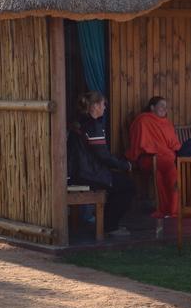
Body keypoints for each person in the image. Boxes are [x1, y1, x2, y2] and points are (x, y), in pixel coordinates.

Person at [68, 91, 135, 237]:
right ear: (95, 106)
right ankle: (110, 226)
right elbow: (103, 156)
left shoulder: (79, 121)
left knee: (118, 183)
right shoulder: (93, 126)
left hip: (77, 171)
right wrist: (125, 165)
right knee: (128, 186)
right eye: (104, 104)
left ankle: (107, 222)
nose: (105, 108)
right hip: (87, 174)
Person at [126, 95, 181, 219]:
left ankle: (173, 207)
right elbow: (141, 142)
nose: (164, 109)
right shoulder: (143, 120)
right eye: (161, 105)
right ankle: (171, 209)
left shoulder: (167, 123)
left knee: (174, 166)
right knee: (170, 169)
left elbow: (174, 143)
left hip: (167, 157)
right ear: (152, 107)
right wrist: (154, 150)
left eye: (166, 107)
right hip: (148, 158)